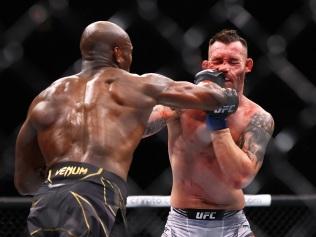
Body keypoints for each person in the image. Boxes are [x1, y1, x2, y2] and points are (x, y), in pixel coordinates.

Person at [14, 21, 239, 237]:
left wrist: (65, 183)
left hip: (47, 201)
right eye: (130, 52)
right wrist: (212, 82)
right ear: (118, 52)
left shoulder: (46, 98)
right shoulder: (139, 84)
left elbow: (24, 183)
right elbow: (216, 100)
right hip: (96, 195)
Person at [144, 29, 275, 237]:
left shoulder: (257, 118)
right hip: (181, 226)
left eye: (233, 61)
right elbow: (139, 128)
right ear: (206, 66)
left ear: (247, 65)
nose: (224, 68)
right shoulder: (181, 102)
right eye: (217, 61)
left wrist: (218, 121)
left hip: (232, 226)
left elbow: (240, 178)